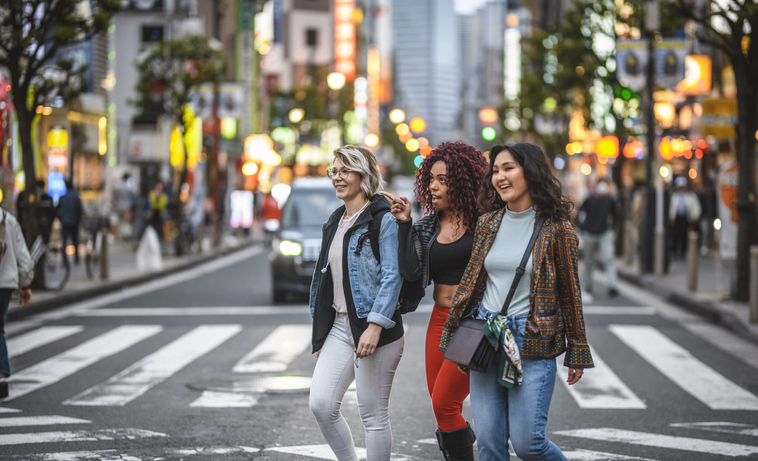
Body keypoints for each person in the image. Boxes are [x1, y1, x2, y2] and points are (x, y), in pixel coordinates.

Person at [440, 143, 594, 461]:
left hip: (532, 340)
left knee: (529, 445)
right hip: (487, 337)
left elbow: (570, 293)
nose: (499, 177)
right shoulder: (488, 223)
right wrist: (455, 333)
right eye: (495, 170)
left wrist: (578, 347)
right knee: (489, 445)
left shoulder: (557, 229)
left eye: (508, 168)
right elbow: (472, 282)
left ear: (531, 172)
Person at [381, 141, 488, 461]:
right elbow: (412, 273)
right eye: (431, 179)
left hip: (474, 322)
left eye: (443, 179)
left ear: (463, 181)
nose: (434, 185)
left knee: (445, 402)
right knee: (441, 405)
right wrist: (404, 226)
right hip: (440, 319)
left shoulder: (486, 223)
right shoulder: (427, 227)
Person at [309, 145, 404, 461]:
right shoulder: (335, 220)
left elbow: (393, 276)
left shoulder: (382, 221)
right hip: (339, 325)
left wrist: (375, 326)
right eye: (333, 171)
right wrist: (320, 330)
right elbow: (322, 281)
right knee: (321, 404)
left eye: (344, 171)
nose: (337, 177)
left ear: (363, 175)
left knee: (373, 415)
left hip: (374, 326)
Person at [0, 208, 35, 399]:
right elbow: (24, 257)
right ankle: (1, 375)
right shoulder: (9, 220)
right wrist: (26, 285)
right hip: (5, 284)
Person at [578, 178, 619, 297]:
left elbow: (616, 215)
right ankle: (588, 285)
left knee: (608, 259)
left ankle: (612, 285)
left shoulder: (610, 200)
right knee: (588, 261)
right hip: (590, 234)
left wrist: (613, 229)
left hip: (605, 233)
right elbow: (581, 213)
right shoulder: (589, 200)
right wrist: (583, 228)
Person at [668, 176, 701, 260]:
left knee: (684, 236)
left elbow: (696, 207)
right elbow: (671, 208)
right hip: (676, 219)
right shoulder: (674, 196)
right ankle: (675, 252)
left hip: (686, 218)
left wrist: (695, 216)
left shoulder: (690, 196)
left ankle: (683, 252)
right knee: (675, 235)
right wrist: (670, 216)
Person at [56, 179, 84, 264]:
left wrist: (61, 218)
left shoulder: (63, 198)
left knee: (65, 241)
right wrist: (79, 220)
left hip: (65, 222)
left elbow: (56, 209)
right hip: (74, 222)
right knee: (75, 240)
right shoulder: (76, 197)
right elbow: (80, 210)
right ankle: (76, 259)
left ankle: (64, 259)